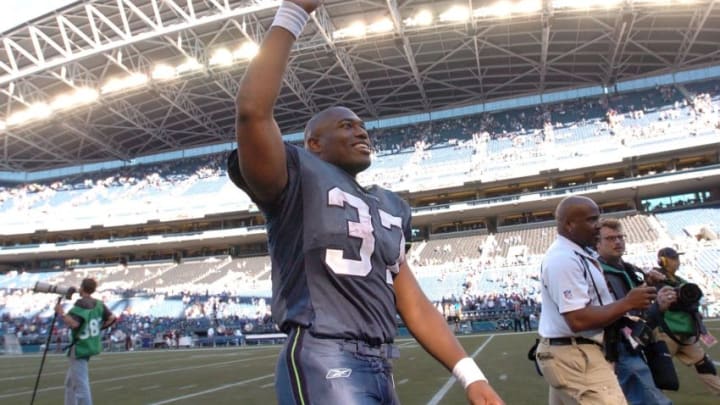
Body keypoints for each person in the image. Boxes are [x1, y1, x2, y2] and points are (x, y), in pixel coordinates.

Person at [227, 1, 504, 404]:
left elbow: (412, 302)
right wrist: (294, 13)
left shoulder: (389, 205)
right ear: (313, 144)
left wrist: (470, 374)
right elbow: (252, 112)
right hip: (323, 355)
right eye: (346, 125)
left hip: (381, 363)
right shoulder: (294, 179)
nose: (361, 131)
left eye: (362, 125)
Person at [535, 196, 657, 405]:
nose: (597, 226)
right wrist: (627, 303)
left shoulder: (579, 253)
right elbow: (578, 320)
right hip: (575, 354)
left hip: (575, 351)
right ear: (569, 224)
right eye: (591, 220)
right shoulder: (563, 259)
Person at [595, 218, 675, 405]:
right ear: (597, 244)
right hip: (618, 347)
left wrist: (654, 292)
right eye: (610, 238)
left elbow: (639, 312)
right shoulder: (596, 273)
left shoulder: (630, 270)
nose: (618, 241)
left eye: (620, 236)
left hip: (635, 344)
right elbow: (618, 315)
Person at [655, 247, 720, 396]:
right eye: (674, 258)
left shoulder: (681, 281)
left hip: (687, 334)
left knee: (705, 365)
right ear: (663, 261)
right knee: (660, 372)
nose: (678, 262)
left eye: (678, 258)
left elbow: (695, 296)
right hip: (666, 334)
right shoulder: (654, 280)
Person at [54, 278, 116, 405]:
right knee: (70, 382)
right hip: (91, 344)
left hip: (79, 346)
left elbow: (74, 323)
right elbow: (112, 318)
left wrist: (61, 312)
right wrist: (98, 328)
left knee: (81, 385)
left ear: (82, 288)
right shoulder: (99, 304)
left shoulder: (81, 304)